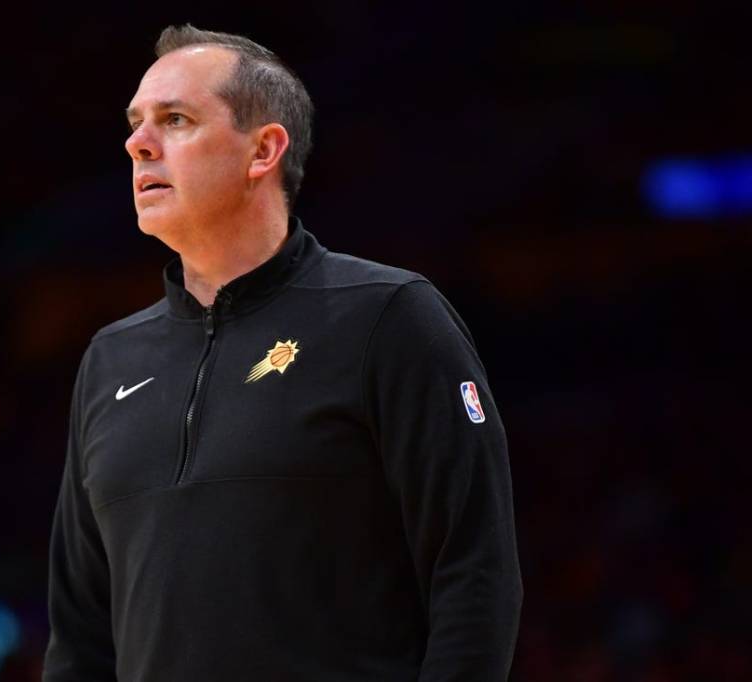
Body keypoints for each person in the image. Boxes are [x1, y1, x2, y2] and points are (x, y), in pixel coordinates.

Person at [43, 24, 522, 682]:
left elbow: (474, 576)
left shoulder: (389, 318)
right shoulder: (110, 360)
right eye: (134, 124)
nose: (137, 143)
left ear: (263, 150)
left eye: (174, 119)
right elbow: (79, 634)